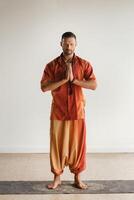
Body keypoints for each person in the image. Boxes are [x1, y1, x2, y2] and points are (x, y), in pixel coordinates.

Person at [40, 32, 97, 189]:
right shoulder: (51, 65)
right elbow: (44, 87)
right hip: (58, 111)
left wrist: (75, 80)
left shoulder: (84, 64)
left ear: (76, 44)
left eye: (71, 43)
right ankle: (57, 177)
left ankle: (77, 178)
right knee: (57, 145)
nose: (69, 46)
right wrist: (64, 79)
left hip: (77, 111)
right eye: (66, 43)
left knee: (78, 146)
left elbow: (93, 85)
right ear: (61, 44)